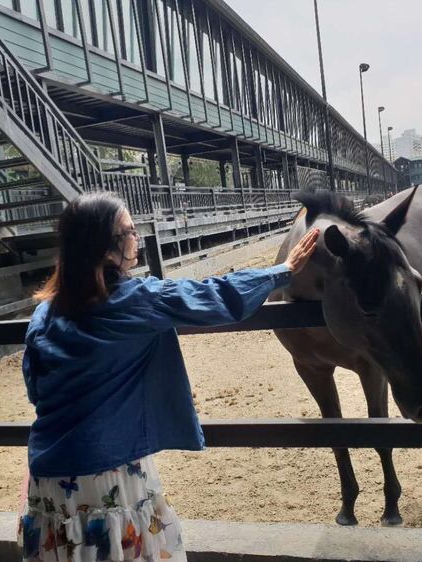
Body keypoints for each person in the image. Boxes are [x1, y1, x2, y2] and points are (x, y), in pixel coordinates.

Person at [18, 192, 319, 562]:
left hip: (47, 478)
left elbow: (35, 389)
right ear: (107, 248)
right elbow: (214, 296)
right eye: (130, 231)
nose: (136, 239)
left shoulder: (43, 316)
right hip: (109, 473)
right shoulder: (138, 300)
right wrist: (282, 271)